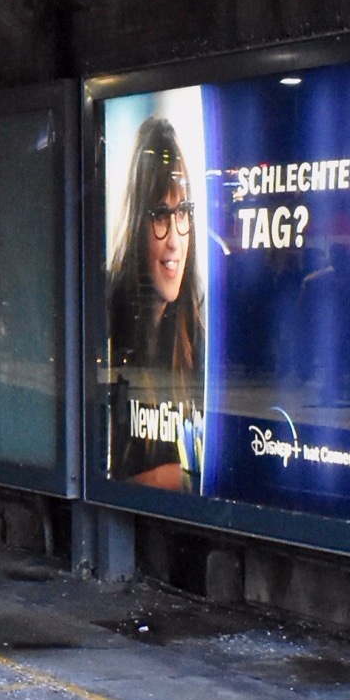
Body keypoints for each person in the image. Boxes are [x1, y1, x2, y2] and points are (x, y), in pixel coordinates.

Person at [104, 113, 206, 486]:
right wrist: (174, 478)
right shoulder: (106, 321)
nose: (175, 239)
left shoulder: (195, 332)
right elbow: (99, 477)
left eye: (184, 213)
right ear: (137, 223)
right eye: (161, 215)